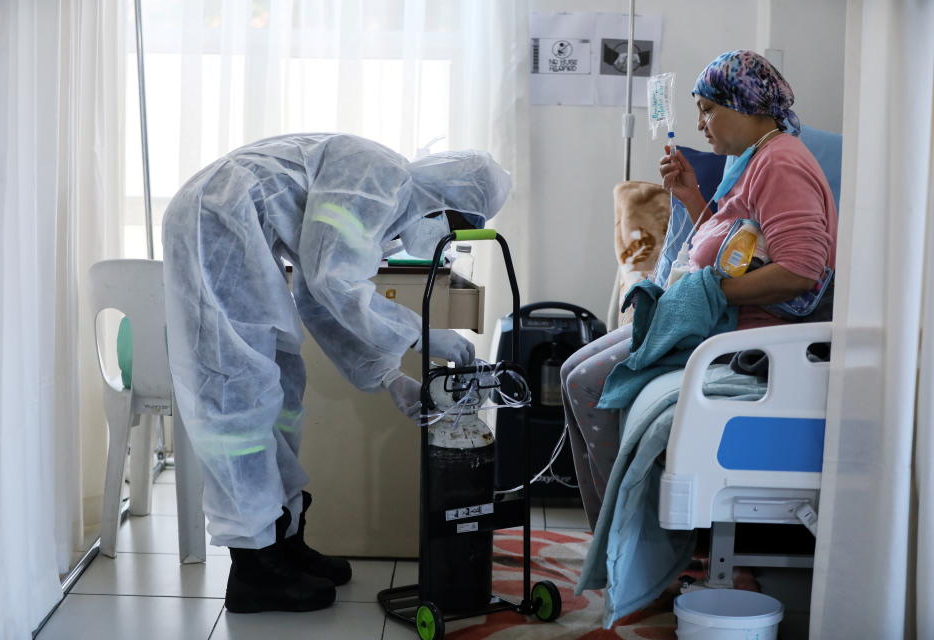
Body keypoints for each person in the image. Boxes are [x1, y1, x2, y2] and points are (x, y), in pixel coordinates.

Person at [162, 133, 511, 613]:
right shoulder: (378, 179)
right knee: (237, 397)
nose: (447, 243)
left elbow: (319, 299)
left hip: (242, 228)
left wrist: (390, 377)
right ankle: (253, 567)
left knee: (283, 391)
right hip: (217, 219)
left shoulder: (383, 205)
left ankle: (283, 542)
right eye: (457, 226)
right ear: (445, 202)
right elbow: (334, 282)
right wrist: (425, 336)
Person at [562, 50, 838, 529]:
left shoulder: (781, 164)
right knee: (572, 370)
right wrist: (691, 197)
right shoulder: (753, 161)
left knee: (588, 382)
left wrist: (705, 296)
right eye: (697, 111)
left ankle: (629, 533)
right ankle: (609, 529)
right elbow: (734, 249)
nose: (701, 123)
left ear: (750, 106)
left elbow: (801, 271)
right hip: (710, 318)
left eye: (710, 109)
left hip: (742, 333)